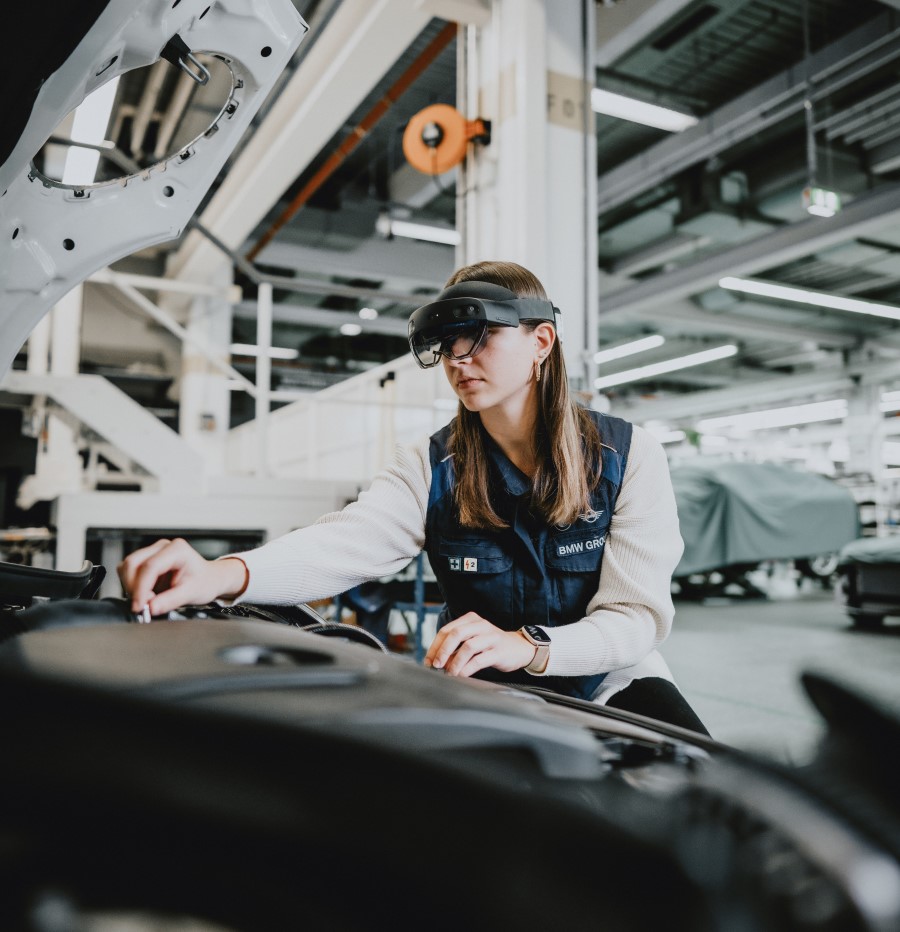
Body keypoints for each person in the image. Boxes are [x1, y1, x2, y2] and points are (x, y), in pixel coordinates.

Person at [119, 260, 709, 736]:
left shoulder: (628, 456)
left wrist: (525, 645)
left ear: (541, 341)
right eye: (447, 343)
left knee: (707, 788)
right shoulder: (429, 465)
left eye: (478, 336)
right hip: (485, 686)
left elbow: (635, 621)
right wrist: (220, 574)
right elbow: (345, 543)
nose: (458, 359)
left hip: (610, 679)